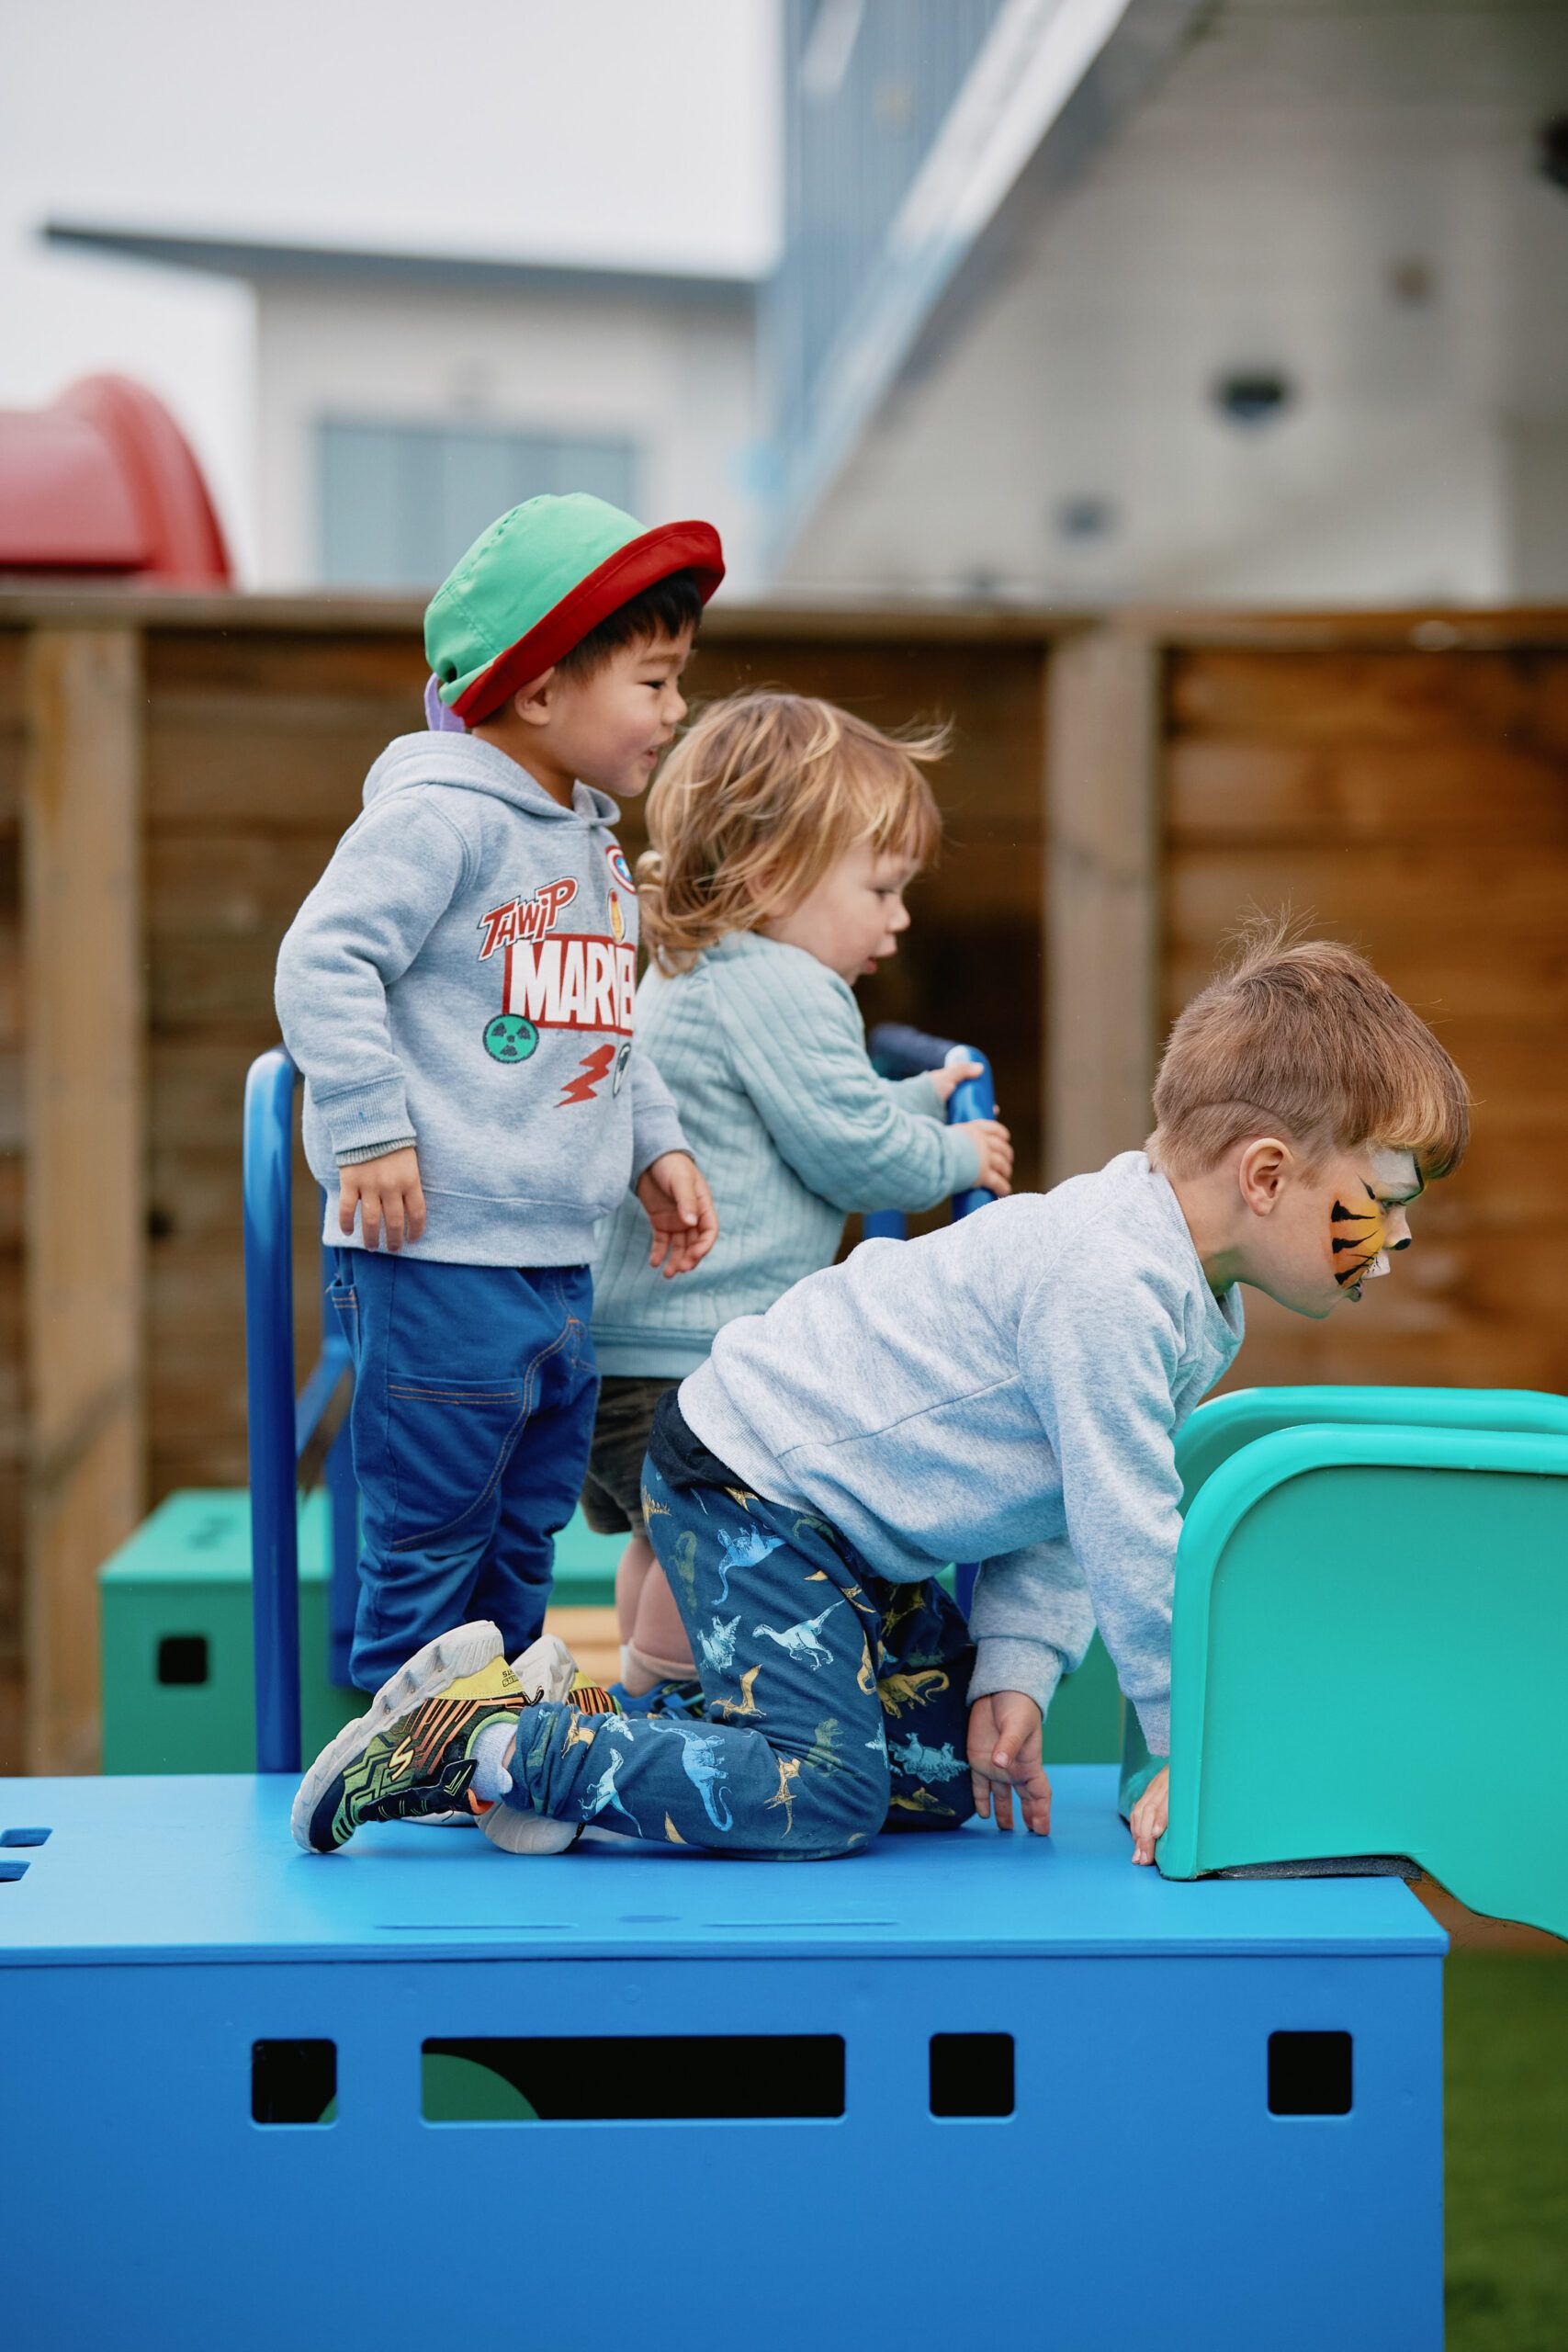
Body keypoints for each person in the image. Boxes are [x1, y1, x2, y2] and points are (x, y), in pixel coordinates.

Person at [290, 922, 1470, 1865]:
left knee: (946, 1770)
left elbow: (1067, 1504)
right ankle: (481, 1743)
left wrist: (1014, 1668)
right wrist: (1195, 1759)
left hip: (845, 1536)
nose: (1400, 1234)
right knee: (824, 1794)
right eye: (1388, 1195)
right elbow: (1133, 1543)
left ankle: (581, 1728)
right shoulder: (1112, 1279)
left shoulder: (1185, 1296)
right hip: (756, 1482)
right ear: (1267, 1174)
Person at [275, 493, 722, 1758]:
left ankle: (493, 1740)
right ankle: (401, 1742)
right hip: (434, 1252)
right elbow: (321, 964)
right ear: (535, 691)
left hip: (551, 1258)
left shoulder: (589, 850)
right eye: (652, 679)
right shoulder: (439, 819)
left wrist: (657, 1147)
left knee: (524, 1515)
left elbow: (605, 1032)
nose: (673, 709)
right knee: (432, 1515)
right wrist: (367, 1128)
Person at [581, 690, 1014, 1697]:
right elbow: (853, 1154)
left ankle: (639, 1696)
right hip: (694, 1363)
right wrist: (957, 1152)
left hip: (626, 1357)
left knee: (661, 1544)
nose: (900, 922)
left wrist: (912, 1093)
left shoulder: (702, 967)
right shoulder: (786, 983)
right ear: (774, 877)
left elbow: (812, 1107)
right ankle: (649, 1712)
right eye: (880, 889)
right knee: (721, 1548)